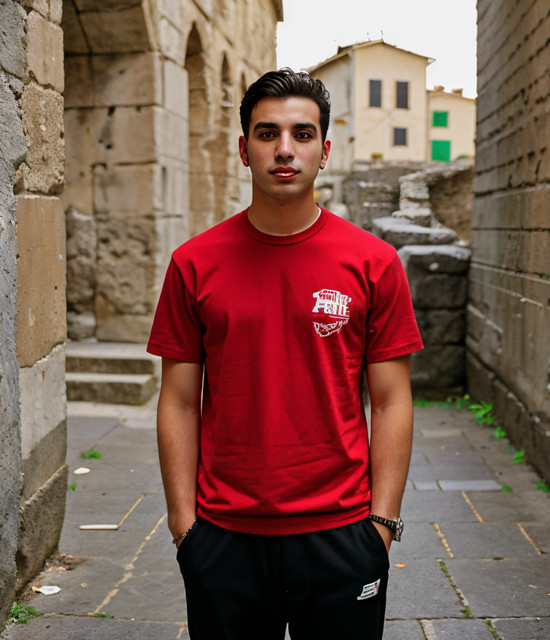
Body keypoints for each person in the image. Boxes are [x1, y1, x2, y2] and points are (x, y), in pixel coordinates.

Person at [147, 68, 423, 640]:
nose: (284, 149)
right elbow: (178, 401)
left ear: (324, 151)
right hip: (224, 535)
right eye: (267, 133)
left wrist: (382, 524)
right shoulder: (194, 264)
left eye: (302, 134)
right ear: (243, 149)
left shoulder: (374, 263)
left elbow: (391, 399)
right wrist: (184, 525)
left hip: (343, 531)